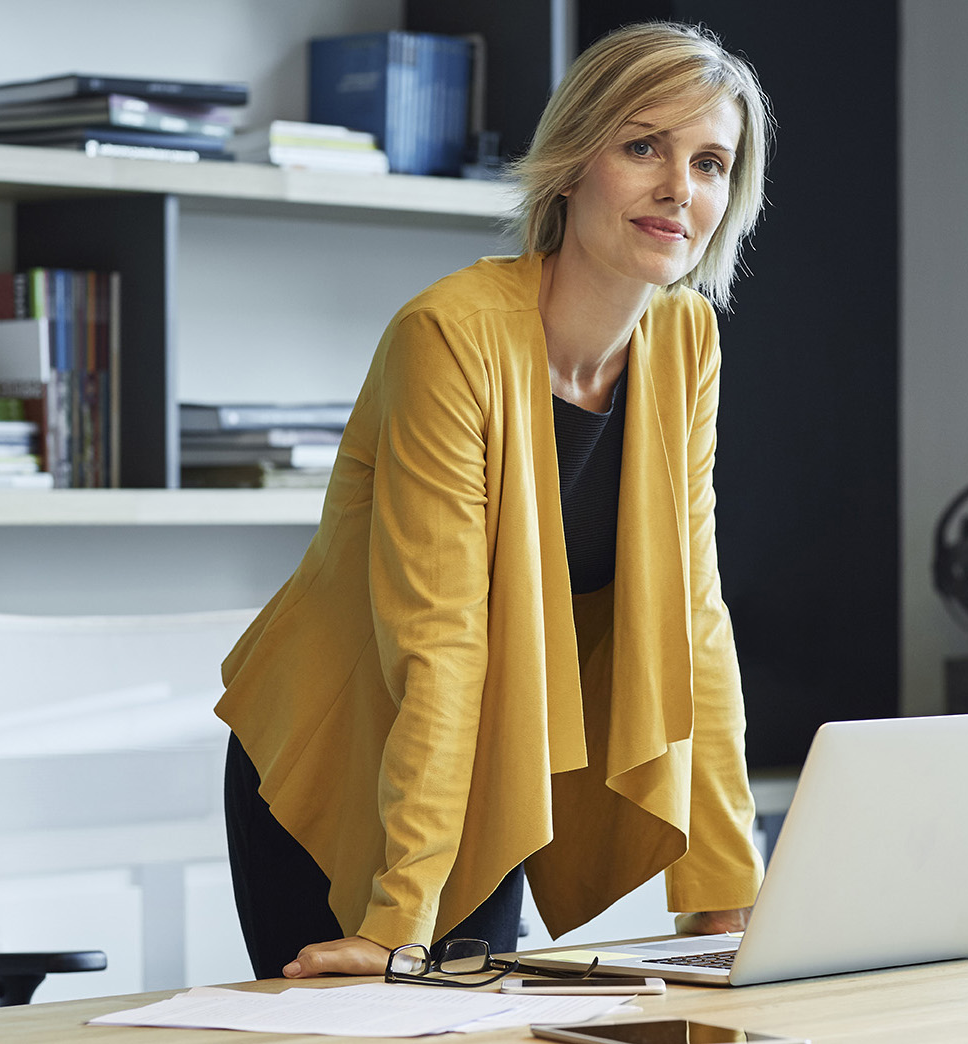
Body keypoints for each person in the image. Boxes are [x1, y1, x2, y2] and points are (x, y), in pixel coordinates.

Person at [217, 20, 774, 980]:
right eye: (643, 146)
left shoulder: (686, 345)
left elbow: (698, 621)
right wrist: (397, 923)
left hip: (490, 766)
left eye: (711, 162)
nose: (680, 188)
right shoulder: (450, 336)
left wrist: (730, 893)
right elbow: (441, 640)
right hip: (346, 749)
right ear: (571, 164)